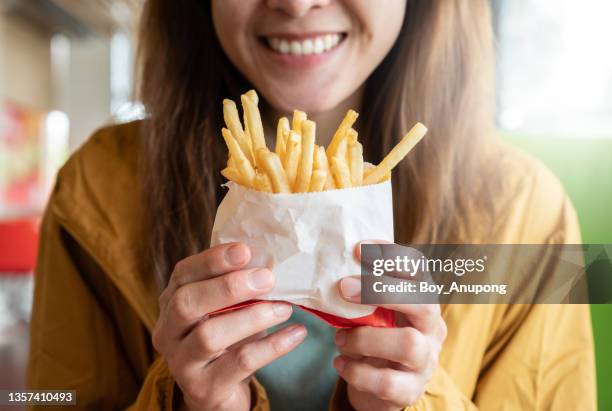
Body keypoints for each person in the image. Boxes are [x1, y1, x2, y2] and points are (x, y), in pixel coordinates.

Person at [27, 1, 596, 410]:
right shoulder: (92, 191)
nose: (298, 4)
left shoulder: (532, 214)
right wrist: (183, 403)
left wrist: (413, 403)